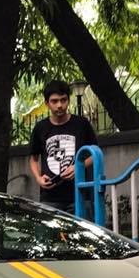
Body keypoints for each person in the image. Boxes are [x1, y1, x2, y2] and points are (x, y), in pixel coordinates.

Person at [29, 79, 98, 216]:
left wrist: (79, 166)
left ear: (68, 100)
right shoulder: (40, 128)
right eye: (54, 101)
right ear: (47, 103)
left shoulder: (81, 124)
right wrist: (38, 178)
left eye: (63, 100)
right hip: (50, 198)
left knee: (82, 237)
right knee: (50, 237)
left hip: (80, 194)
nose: (59, 105)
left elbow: (96, 154)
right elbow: (33, 159)